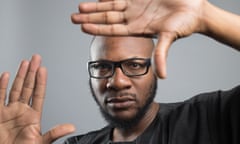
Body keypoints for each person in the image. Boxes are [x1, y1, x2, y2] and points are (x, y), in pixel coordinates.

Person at [0, 0, 239, 144]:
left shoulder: (210, 117)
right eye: (103, 67)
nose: (117, 81)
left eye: (134, 65)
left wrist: (206, 17)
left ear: (153, 69)